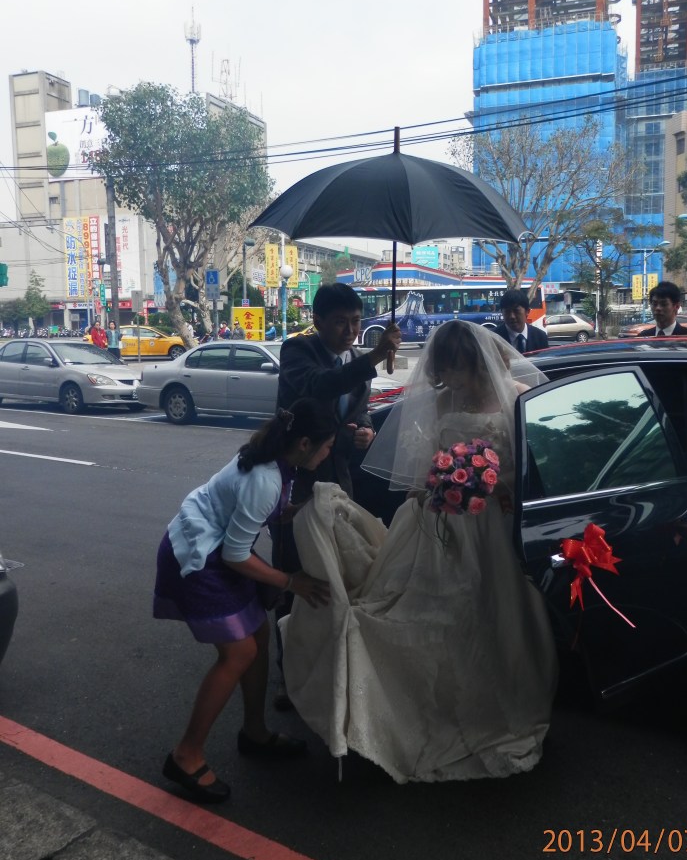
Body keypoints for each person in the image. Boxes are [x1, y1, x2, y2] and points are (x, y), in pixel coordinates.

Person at [280, 321, 559, 784]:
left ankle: (483, 702)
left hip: (493, 522)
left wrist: (498, 485)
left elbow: (533, 462)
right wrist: (438, 482)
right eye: (442, 369)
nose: (446, 378)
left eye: (454, 368)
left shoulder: (516, 396)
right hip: (440, 517)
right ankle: (419, 704)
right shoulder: (443, 401)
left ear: (475, 362)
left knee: (488, 610)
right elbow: (430, 459)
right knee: (429, 610)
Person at [153, 399, 336, 804]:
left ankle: (254, 732)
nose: (328, 454)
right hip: (201, 555)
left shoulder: (278, 462)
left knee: (259, 635)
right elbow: (236, 554)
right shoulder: (266, 479)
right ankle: (185, 755)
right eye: (326, 447)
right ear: (305, 443)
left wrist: (299, 512)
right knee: (239, 653)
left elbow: (255, 515)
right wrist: (291, 582)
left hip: (220, 549)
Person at [270, 282, 402, 709]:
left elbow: (356, 412)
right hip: (296, 484)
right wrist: (374, 357)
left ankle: (327, 666)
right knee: (295, 578)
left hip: (339, 483)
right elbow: (318, 388)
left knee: (333, 577)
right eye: (341, 322)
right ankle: (289, 675)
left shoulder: (353, 358)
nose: (350, 331)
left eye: (356, 322)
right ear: (318, 321)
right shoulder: (297, 351)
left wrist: (365, 430)